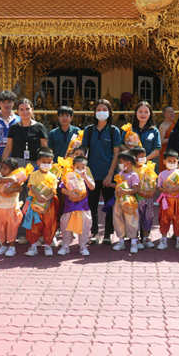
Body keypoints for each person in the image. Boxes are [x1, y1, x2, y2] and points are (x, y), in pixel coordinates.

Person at [80, 99, 122, 245]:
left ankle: (108, 235)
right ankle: (94, 233)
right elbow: (83, 152)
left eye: (104, 109)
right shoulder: (89, 130)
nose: (101, 112)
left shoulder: (113, 131)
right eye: (98, 110)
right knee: (92, 205)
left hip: (108, 174)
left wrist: (110, 174)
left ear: (109, 112)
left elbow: (116, 154)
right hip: (91, 174)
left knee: (109, 204)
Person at [23, 148, 60, 257]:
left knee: (49, 224)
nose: (46, 164)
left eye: (49, 163)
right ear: (38, 162)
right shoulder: (34, 174)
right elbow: (32, 187)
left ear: (52, 163)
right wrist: (39, 196)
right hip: (35, 203)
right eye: (43, 162)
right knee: (34, 224)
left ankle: (48, 246)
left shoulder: (53, 176)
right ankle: (33, 246)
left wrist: (47, 198)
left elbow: (54, 191)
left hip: (49, 205)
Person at [59, 155, 95, 256]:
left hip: (83, 207)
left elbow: (92, 187)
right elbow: (62, 189)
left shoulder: (86, 178)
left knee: (84, 225)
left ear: (86, 168)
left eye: (82, 168)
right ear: (73, 167)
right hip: (69, 207)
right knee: (65, 225)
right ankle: (66, 245)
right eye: (77, 167)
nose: (80, 169)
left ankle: (83, 245)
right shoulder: (68, 176)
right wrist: (70, 193)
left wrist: (85, 177)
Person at [0, 157, 24, 257]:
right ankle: (3, 245)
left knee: (12, 228)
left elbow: (20, 188)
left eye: (5, 168)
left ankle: (12, 247)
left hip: (11, 207)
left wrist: (11, 190)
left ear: (13, 170)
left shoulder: (18, 177)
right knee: (0, 227)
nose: (2, 170)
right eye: (2, 168)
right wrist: (10, 179)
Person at [3, 98, 49, 167]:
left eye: (27, 109)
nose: (25, 112)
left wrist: (45, 165)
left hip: (35, 164)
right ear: (17, 111)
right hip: (17, 164)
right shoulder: (13, 127)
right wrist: (3, 165)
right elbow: (8, 148)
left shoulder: (39, 127)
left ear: (32, 110)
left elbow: (44, 148)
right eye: (21, 109)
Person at [157, 149, 179, 250]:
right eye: (169, 161)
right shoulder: (162, 174)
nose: (172, 163)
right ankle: (163, 240)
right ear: (164, 161)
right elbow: (159, 187)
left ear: (177, 161)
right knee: (164, 219)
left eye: (174, 161)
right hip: (166, 200)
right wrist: (164, 190)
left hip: (178, 201)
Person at [111, 151, 141, 253]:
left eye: (121, 162)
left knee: (131, 221)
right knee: (118, 219)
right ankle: (121, 241)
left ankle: (133, 242)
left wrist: (124, 191)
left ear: (128, 163)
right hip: (119, 201)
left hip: (129, 203)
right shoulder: (120, 173)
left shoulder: (134, 175)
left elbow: (135, 189)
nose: (120, 164)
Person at [131, 146, 156, 249]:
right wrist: (139, 191)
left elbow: (154, 182)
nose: (143, 159)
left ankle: (145, 238)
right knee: (135, 219)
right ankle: (135, 239)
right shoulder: (130, 169)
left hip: (148, 199)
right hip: (135, 199)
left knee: (147, 218)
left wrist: (152, 191)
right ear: (134, 157)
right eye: (141, 156)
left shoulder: (148, 168)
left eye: (144, 156)